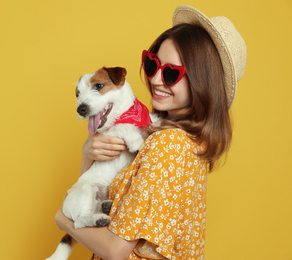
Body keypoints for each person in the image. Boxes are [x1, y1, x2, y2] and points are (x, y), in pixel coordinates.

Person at [54, 5, 247, 260]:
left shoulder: (168, 145)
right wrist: (88, 156)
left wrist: (64, 220)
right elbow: (104, 194)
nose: (156, 79)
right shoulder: (180, 140)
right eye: (152, 63)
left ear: (202, 82)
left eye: (170, 73)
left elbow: (116, 250)